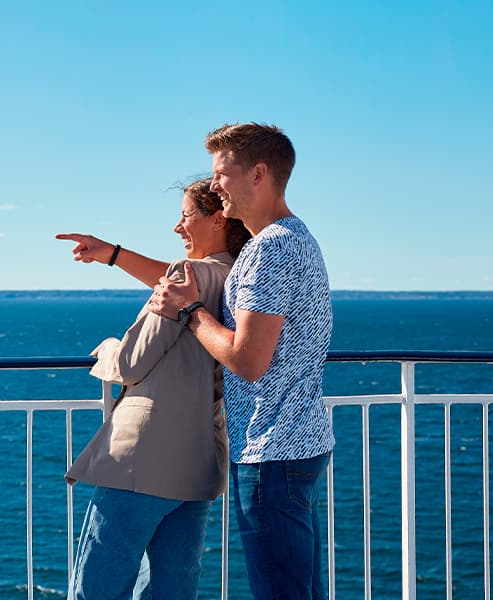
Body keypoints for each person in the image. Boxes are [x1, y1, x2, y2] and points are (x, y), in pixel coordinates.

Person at [148, 123, 333, 599]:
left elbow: (249, 360)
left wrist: (190, 312)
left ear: (259, 174)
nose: (214, 187)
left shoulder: (268, 250)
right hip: (301, 441)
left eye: (221, 174)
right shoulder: (296, 238)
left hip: (272, 452)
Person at [57, 177, 251, 600]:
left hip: (143, 459)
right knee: (172, 588)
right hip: (199, 459)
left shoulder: (187, 274)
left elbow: (129, 363)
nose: (177, 227)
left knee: (98, 586)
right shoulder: (240, 278)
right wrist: (112, 254)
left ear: (217, 219)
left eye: (185, 216)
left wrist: (107, 349)